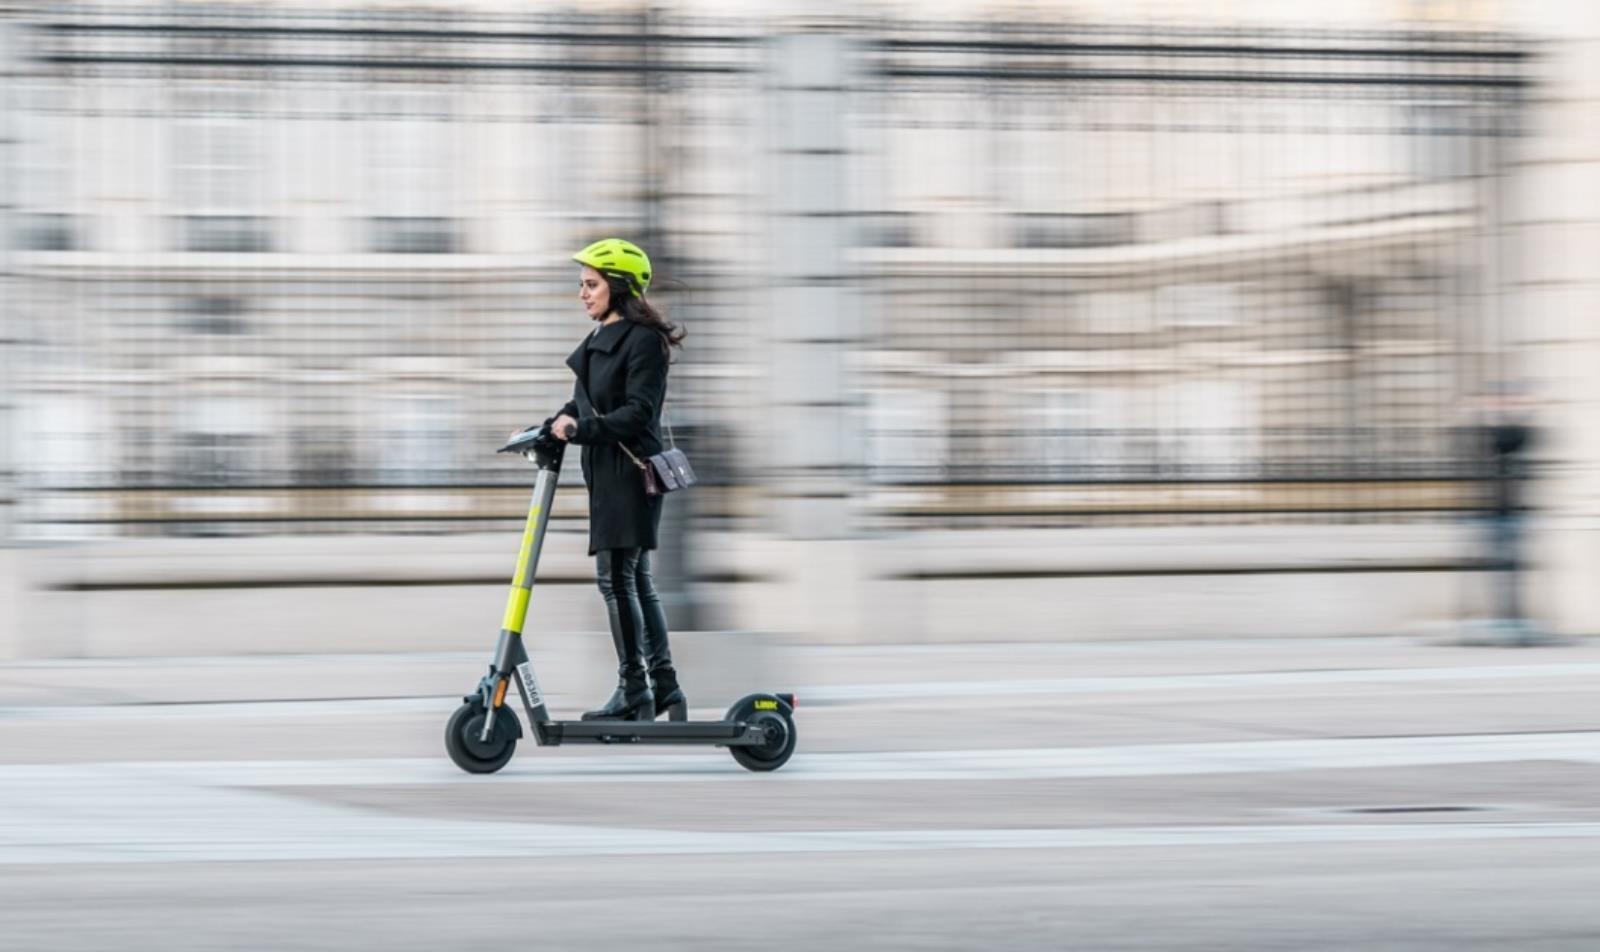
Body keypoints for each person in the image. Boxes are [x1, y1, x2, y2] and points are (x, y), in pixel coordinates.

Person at [546, 238, 688, 720]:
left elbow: (637, 413)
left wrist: (580, 429)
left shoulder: (642, 340)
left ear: (620, 286)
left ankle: (634, 688)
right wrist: (550, 425)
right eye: (582, 284)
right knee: (635, 580)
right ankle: (663, 685)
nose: (582, 293)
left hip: (631, 472)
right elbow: (581, 403)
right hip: (606, 471)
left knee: (617, 581)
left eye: (591, 284)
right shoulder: (596, 340)